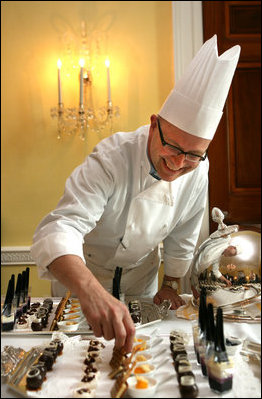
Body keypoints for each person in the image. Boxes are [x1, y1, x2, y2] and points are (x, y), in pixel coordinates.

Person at [31, 35, 240, 353]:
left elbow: (184, 229)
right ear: (154, 124)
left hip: (142, 283)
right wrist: (90, 291)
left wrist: (171, 283)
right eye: (172, 146)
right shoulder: (112, 157)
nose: (178, 163)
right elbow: (59, 228)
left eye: (193, 154)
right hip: (84, 278)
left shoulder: (200, 168)